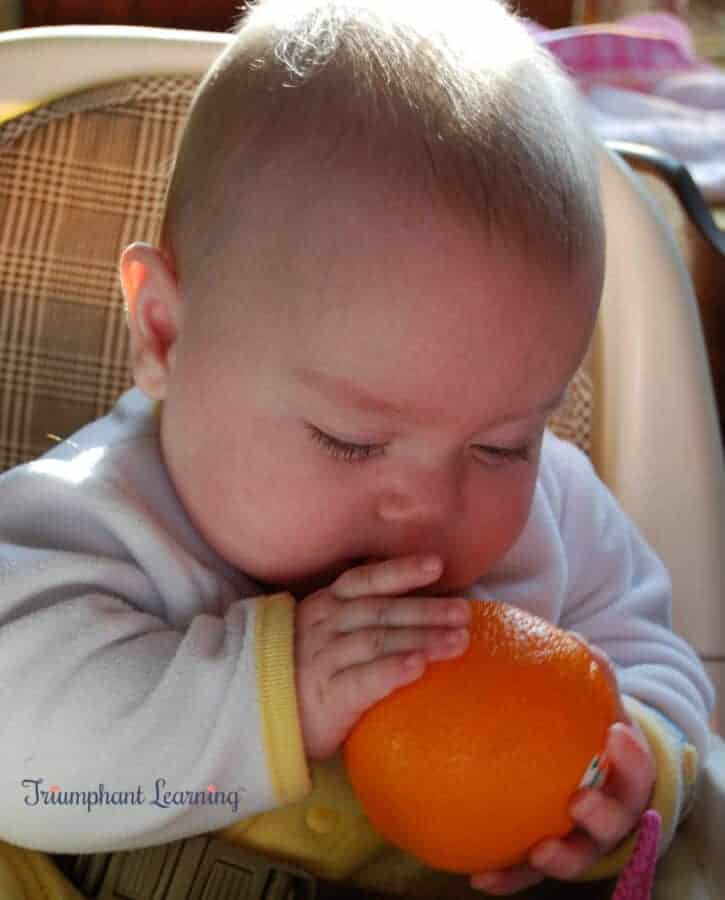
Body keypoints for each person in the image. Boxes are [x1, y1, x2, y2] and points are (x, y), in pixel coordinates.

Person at [0, 0, 714, 896]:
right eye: (350, 440)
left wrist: (631, 756)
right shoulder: (82, 523)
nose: (429, 504)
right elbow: (22, 766)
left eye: (502, 445)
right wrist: (274, 700)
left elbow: (657, 662)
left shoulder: (557, 513)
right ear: (166, 335)